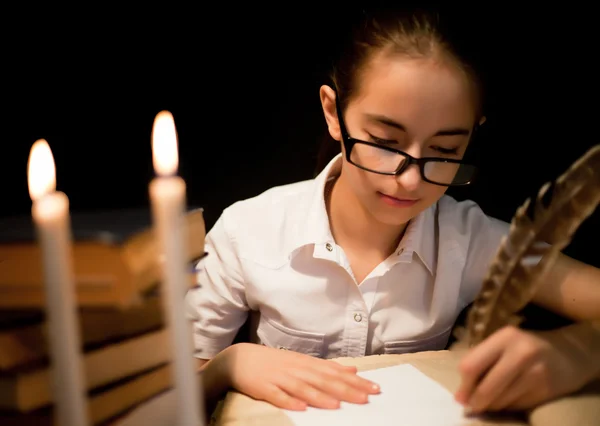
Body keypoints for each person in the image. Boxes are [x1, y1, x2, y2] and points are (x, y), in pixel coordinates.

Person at [185, 6, 600, 416]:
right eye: (385, 142)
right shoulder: (249, 229)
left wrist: (578, 352)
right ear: (333, 112)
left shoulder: (468, 239)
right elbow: (171, 399)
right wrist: (229, 364)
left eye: (445, 150)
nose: (411, 181)